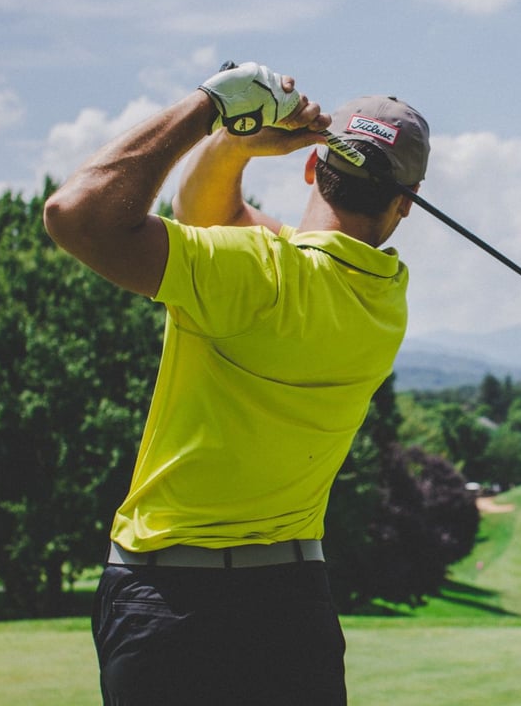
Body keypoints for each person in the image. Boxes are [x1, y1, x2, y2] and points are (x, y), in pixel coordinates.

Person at [43, 61, 430, 705]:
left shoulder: (252, 275)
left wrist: (213, 108)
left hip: (167, 602)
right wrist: (230, 145)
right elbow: (208, 214)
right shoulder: (385, 301)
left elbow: (74, 214)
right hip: (294, 609)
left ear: (311, 165)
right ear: (406, 202)